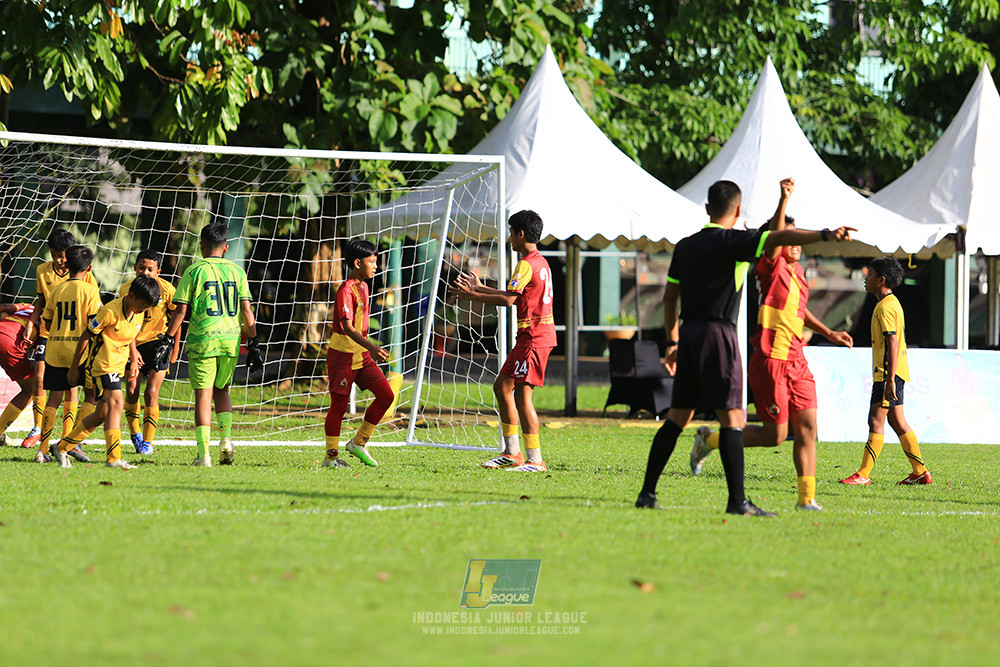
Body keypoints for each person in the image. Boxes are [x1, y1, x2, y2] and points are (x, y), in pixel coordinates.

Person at [635, 180, 855, 516]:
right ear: (737, 211)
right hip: (719, 334)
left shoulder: (684, 246)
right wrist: (826, 234)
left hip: (690, 334)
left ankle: (647, 493)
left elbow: (669, 299)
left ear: (707, 208)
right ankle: (737, 502)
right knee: (734, 419)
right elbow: (779, 238)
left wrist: (673, 341)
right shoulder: (734, 242)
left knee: (678, 417)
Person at [449, 209, 556, 473]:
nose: (509, 238)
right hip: (532, 338)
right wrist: (479, 287)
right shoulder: (540, 262)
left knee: (521, 395)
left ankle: (534, 459)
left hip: (533, 339)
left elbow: (509, 301)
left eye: (510, 232)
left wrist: (473, 297)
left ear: (520, 234)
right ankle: (513, 453)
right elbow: (516, 294)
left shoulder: (525, 263)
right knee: (503, 388)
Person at [161, 223, 262, 467]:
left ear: (202, 246)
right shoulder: (237, 272)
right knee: (222, 390)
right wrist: (255, 341)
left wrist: (167, 338)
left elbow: (181, 310)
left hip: (203, 339)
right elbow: (247, 310)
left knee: (203, 397)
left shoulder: (194, 270)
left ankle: (203, 454)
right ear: (226, 248)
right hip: (230, 339)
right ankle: (226, 440)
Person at [52, 276, 160, 469]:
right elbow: (86, 335)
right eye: (142, 306)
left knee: (102, 413)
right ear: (131, 296)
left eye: (146, 308)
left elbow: (132, 334)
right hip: (101, 365)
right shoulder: (109, 312)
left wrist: (134, 358)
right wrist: (75, 367)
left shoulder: (139, 312)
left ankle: (61, 447)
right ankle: (113, 458)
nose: (143, 311)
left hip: (118, 366)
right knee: (117, 402)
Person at [840, 257, 931, 485]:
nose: (865, 277)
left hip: (887, 373)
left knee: (875, 421)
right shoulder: (891, 303)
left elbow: (893, 343)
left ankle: (863, 474)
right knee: (897, 421)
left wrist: (889, 379)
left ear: (881, 280)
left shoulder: (885, 307)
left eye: (869, 274)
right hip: (895, 371)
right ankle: (920, 471)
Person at [21, 229, 98, 448]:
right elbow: (42, 301)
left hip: (62, 338)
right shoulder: (44, 272)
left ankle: (56, 442)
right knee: (50, 381)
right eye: (55, 254)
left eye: (62, 254)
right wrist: (30, 323)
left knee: (62, 390)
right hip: (60, 337)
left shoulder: (70, 284)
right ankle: (53, 435)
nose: (59, 259)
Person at [322, 238, 395, 468]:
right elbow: (346, 326)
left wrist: (368, 350)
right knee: (339, 408)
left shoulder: (364, 286)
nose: (376, 266)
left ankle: (359, 442)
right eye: (372, 262)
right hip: (342, 357)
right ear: (356, 263)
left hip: (361, 357)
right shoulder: (345, 289)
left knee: (386, 395)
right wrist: (373, 347)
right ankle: (330, 458)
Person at [37, 245, 103, 463]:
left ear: (67, 265)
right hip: (80, 352)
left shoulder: (56, 290)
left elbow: (46, 320)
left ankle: (43, 450)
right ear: (89, 268)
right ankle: (71, 442)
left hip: (55, 349)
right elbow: (95, 324)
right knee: (90, 395)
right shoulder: (90, 291)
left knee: (54, 398)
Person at [120, 250, 177, 456]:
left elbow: (177, 317)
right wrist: (133, 353)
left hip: (158, 343)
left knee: (152, 391)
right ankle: (135, 434)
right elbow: (125, 323)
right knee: (132, 389)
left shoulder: (167, 290)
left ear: (158, 271)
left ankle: (148, 442)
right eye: (141, 268)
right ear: (135, 267)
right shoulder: (126, 290)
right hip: (132, 342)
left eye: (150, 269)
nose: (145, 272)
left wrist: (175, 349)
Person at [0, 302, 37, 447]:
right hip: (8, 342)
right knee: (31, 390)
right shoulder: (53, 318)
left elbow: (7, 308)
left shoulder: (28, 306)